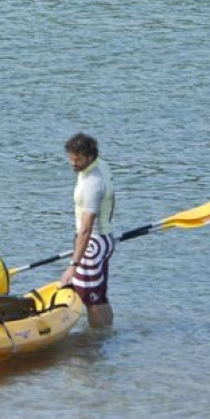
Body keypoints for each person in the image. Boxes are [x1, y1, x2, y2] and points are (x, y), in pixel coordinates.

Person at [61, 132, 116, 328]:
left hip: (92, 243)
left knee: (90, 298)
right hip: (104, 239)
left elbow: (85, 229)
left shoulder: (92, 183)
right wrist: (106, 228)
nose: (73, 164)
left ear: (90, 157)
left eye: (78, 160)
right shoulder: (102, 165)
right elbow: (113, 199)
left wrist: (73, 266)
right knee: (99, 294)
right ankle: (107, 337)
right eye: (71, 158)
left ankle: (95, 345)